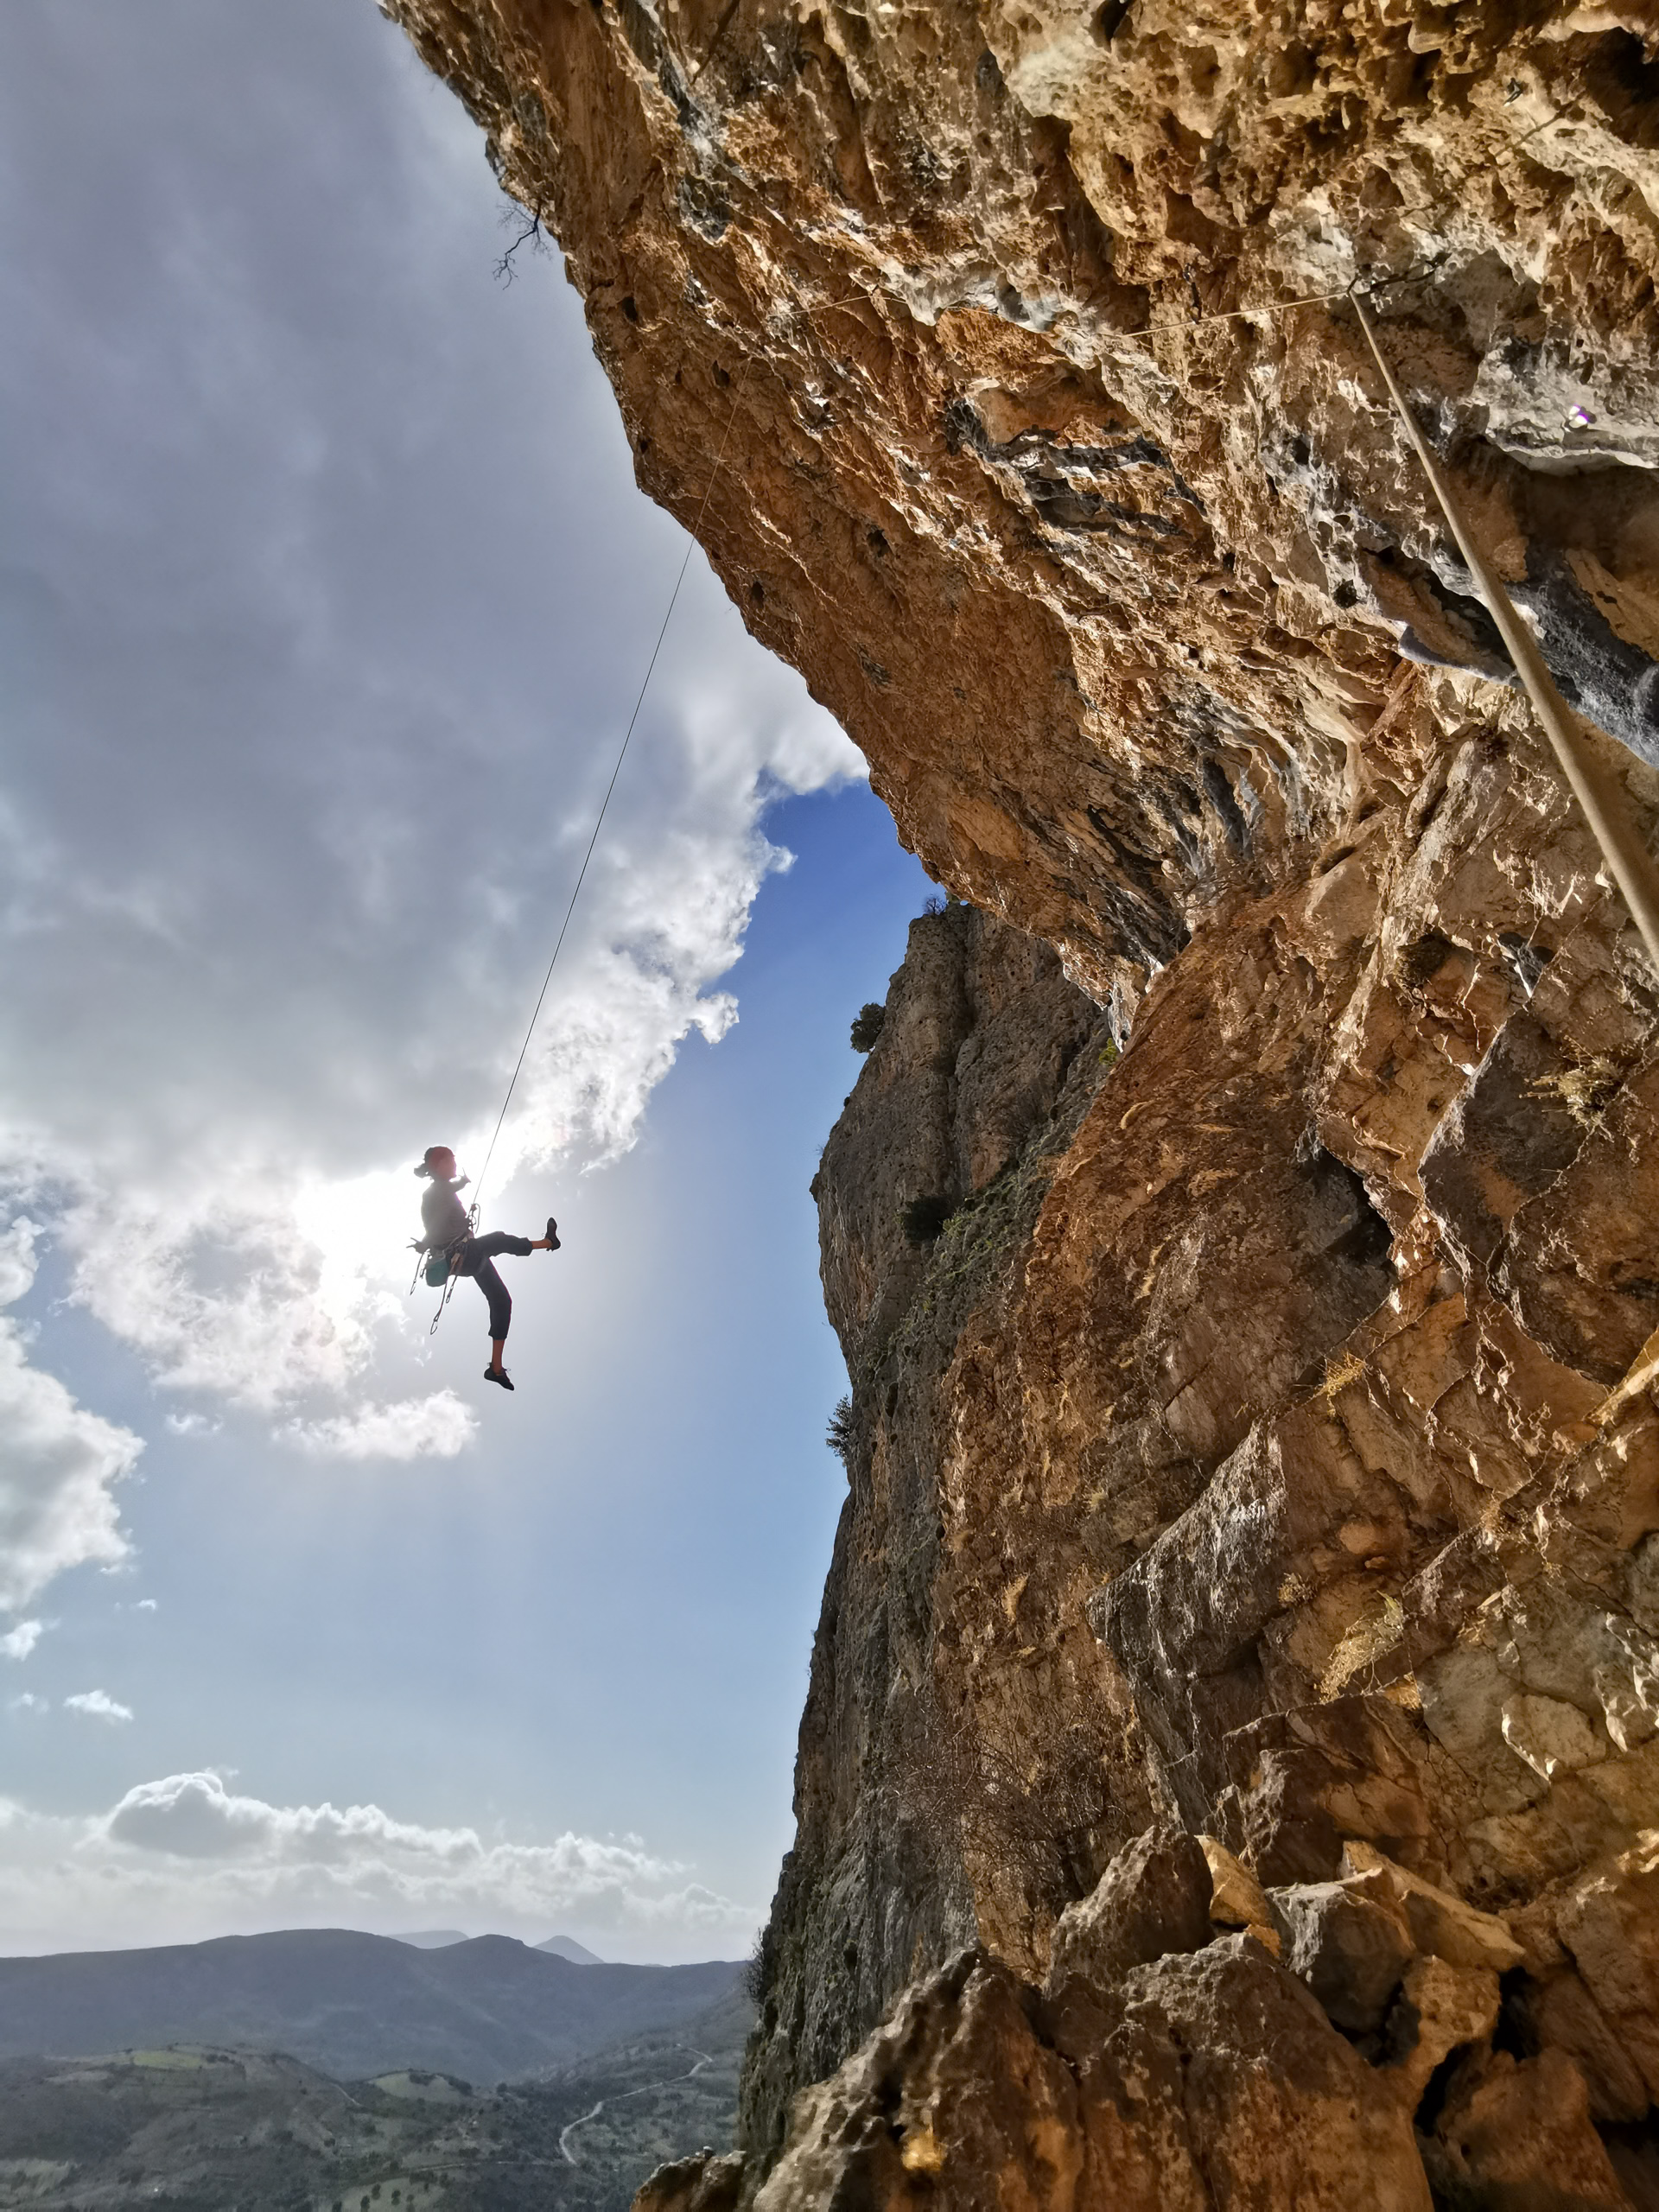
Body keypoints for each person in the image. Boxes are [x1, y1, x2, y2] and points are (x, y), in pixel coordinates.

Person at [413, 1144, 559, 1391]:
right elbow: (435, 1226)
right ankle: (548, 1242)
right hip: (465, 1255)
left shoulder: (441, 1189)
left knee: (502, 1300)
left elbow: (449, 1192)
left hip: (470, 1258)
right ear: (440, 1164)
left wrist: (464, 1182)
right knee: (499, 1239)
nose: (456, 1163)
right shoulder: (435, 1193)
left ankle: (496, 1369)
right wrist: (427, 1242)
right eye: (452, 1160)